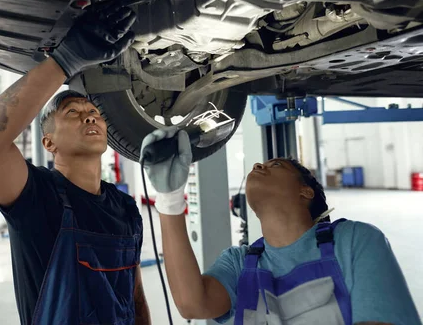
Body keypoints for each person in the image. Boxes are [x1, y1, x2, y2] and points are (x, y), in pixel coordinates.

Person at [0, 0, 150, 325]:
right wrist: (66, 59)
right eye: (73, 113)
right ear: (48, 143)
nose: (90, 117)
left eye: (94, 113)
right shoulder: (35, 196)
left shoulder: (125, 208)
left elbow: (135, 299)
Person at [141, 128, 421, 325]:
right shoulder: (238, 263)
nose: (258, 165)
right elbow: (192, 304)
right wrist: (169, 198)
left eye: (275, 165)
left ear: (306, 191)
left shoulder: (354, 241)